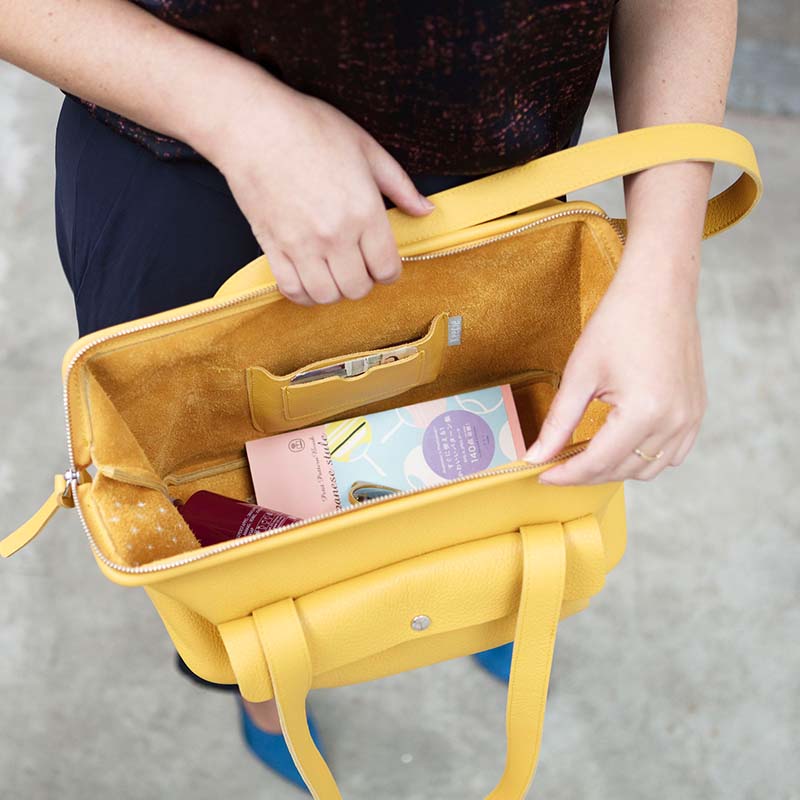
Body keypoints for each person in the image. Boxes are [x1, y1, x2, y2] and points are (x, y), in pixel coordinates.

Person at [0, 0, 737, 790]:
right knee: (222, 537)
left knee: (508, 478)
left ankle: (483, 599)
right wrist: (236, 116)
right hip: (185, 162)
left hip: (500, 184)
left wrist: (663, 263)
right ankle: (269, 685)